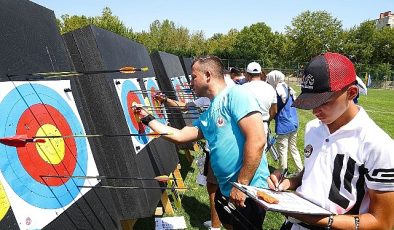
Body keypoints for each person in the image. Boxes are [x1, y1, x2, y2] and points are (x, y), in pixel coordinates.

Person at [135, 55, 269, 230]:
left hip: (248, 189)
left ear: (208, 75)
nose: (191, 82)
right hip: (227, 188)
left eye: (193, 77)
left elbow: (257, 140)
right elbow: (180, 136)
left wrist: (242, 185)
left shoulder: (237, 94)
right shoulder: (211, 110)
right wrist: (147, 119)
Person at [267, 52, 394, 229]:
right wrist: (290, 181)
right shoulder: (313, 127)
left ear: (351, 93)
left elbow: (383, 222)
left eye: (324, 102)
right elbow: (315, 171)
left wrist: (315, 219)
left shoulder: (378, 145)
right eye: (310, 102)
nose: (315, 111)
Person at [153, 93, 220, 229]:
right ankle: (218, 220)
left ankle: (216, 225)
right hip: (213, 149)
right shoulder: (206, 98)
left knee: (215, 188)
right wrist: (165, 100)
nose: (191, 82)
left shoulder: (225, 95)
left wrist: (149, 120)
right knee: (214, 188)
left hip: (219, 152)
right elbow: (185, 107)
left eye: (194, 77)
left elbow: (182, 135)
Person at [266, 70, 303, 173]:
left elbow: (275, 108)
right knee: (293, 148)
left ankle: (283, 173)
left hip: (284, 124)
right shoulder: (288, 88)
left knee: (282, 149)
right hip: (294, 122)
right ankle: (300, 170)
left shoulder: (277, 91)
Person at [243, 61, 277, 135]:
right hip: (264, 124)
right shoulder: (270, 88)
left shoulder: (242, 88)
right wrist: (267, 120)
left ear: (247, 74)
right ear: (261, 73)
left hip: (246, 125)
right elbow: (274, 110)